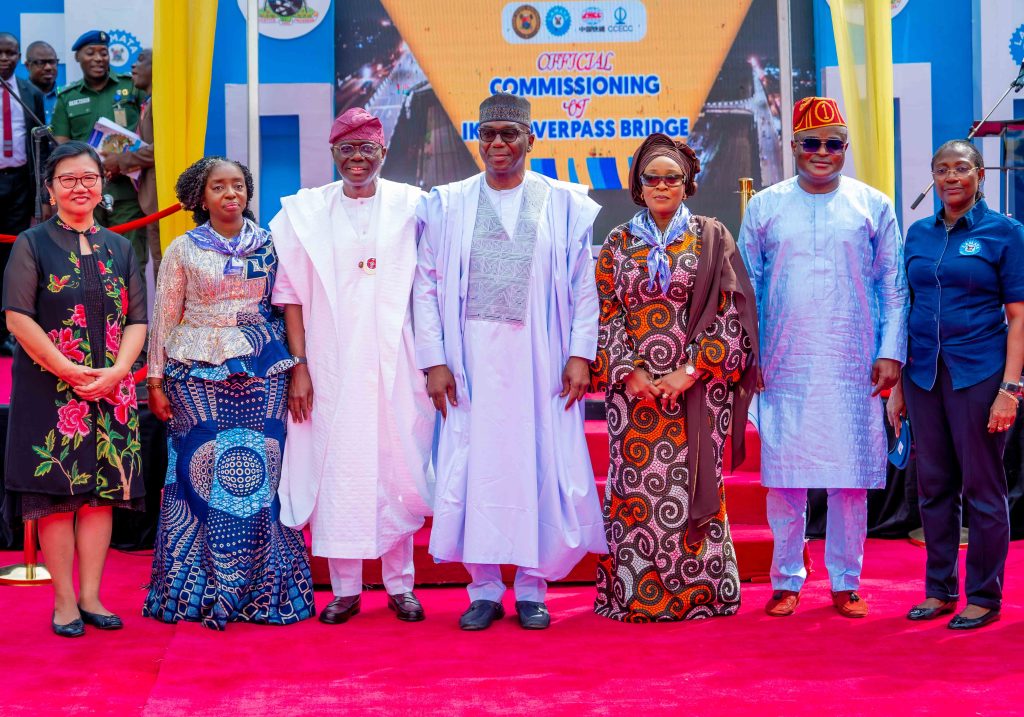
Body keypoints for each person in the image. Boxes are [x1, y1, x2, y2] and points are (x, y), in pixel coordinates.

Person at [414, 92, 607, 631]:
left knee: (538, 465)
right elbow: (424, 288)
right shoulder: (449, 202)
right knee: (475, 468)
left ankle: (531, 587)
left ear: (530, 140)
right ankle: (482, 588)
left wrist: (579, 355)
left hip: (540, 361)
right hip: (469, 360)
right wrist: (434, 361)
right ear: (478, 139)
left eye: (509, 134)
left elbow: (582, 285)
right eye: (489, 134)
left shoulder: (564, 201)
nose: (498, 144)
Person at [738, 97, 908, 618]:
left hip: (852, 359)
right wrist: (752, 355)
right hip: (783, 363)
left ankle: (844, 580)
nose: (822, 153)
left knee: (849, 479)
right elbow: (746, 288)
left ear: (845, 148)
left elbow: (893, 286)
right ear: (793, 147)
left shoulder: (872, 205)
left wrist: (890, 353)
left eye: (833, 144)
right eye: (811, 143)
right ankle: (787, 578)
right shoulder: (765, 207)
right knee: (784, 479)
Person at [271, 107, 435, 625]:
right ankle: (344, 589)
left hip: (396, 361)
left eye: (366, 149)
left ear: (383, 152)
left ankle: (400, 586)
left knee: (396, 467)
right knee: (336, 468)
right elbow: (291, 296)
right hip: (328, 362)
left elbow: (431, 286)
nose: (357, 159)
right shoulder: (305, 213)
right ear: (334, 153)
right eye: (347, 150)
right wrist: (299, 366)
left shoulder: (415, 206)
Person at [591, 133, 758, 622]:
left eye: (672, 178)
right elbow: (604, 312)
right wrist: (631, 372)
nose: (662, 185)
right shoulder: (618, 242)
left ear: (687, 185)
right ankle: (637, 595)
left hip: (698, 390)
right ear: (638, 186)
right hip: (635, 395)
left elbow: (735, 314)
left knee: (692, 485)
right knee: (637, 487)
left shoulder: (712, 236)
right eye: (652, 178)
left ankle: (703, 594)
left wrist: (689, 372)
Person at [143, 157, 315, 630]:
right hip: (195, 374)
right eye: (219, 187)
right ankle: (198, 594)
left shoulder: (270, 244)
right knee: (194, 479)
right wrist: (155, 381)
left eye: (238, 185)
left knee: (262, 481)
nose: (230, 194)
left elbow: (287, 307)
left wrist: (300, 366)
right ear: (202, 197)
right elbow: (164, 317)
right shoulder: (183, 249)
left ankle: (264, 593)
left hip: (264, 372)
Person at [1, 141, 147, 637]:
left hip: (111, 390)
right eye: (68, 179)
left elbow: (138, 320)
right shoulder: (32, 243)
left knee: (101, 497)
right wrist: (68, 369)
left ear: (103, 184)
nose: (80, 186)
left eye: (89, 177)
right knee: (58, 497)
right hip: (50, 389)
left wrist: (117, 372)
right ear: (50, 188)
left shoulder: (119, 246)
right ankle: (64, 603)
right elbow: (18, 317)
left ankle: (91, 597)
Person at [888, 139, 1024, 630]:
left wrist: (1011, 388)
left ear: (979, 174)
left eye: (961, 168)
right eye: (941, 169)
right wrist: (901, 385)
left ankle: (985, 596)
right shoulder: (918, 235)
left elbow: (1018, 315)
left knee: (984, 490)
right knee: (933, 487)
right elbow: (906, 308)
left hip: (980, 373)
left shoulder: (1005, 233)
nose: (951, 177)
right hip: (923, 374)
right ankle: (939, 589)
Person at [51, 31, 146, 274]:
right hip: (83, 195)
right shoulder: (67, 97)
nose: (98, 58)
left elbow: (149, 129)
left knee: (130, 263)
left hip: (127, 192)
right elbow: (60, 148)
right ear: (77, 57)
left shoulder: (130, 87)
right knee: (87, 265)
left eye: (103, 53)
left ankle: (132, 314)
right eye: (90, 53)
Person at [0, 32, 46, 355]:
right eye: (0, 52)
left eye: (11, 52)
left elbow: (39, 145)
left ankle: (9, 329)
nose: (5, 58)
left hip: (19, 183)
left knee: (12, 258)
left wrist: (40, 193)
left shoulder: (29, 92)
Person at [109, 49, 160, 277]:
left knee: (164, 265)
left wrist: (120, 161)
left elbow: (163, 149)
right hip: (150, 200)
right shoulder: (149, 102)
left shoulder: (162, 101)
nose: (133, 67)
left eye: (141, 60)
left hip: (161, 201)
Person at [25, 40, 59, 124]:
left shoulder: (67, 97)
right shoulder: (17, 96)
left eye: (52, 62)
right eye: (41, 62)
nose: (48, 67)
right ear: (27, 65)